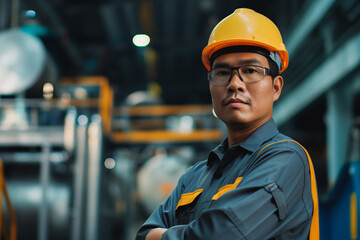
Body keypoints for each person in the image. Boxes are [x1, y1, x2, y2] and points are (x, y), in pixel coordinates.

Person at [136, 8, 319, 240]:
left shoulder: (286, 159)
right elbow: (142, 234)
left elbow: (219, 237)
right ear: (211, 86)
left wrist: (164, 235)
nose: (235, 84)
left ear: (276, 87)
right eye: (222, 72)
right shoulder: (194, 176)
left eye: (250, 71)